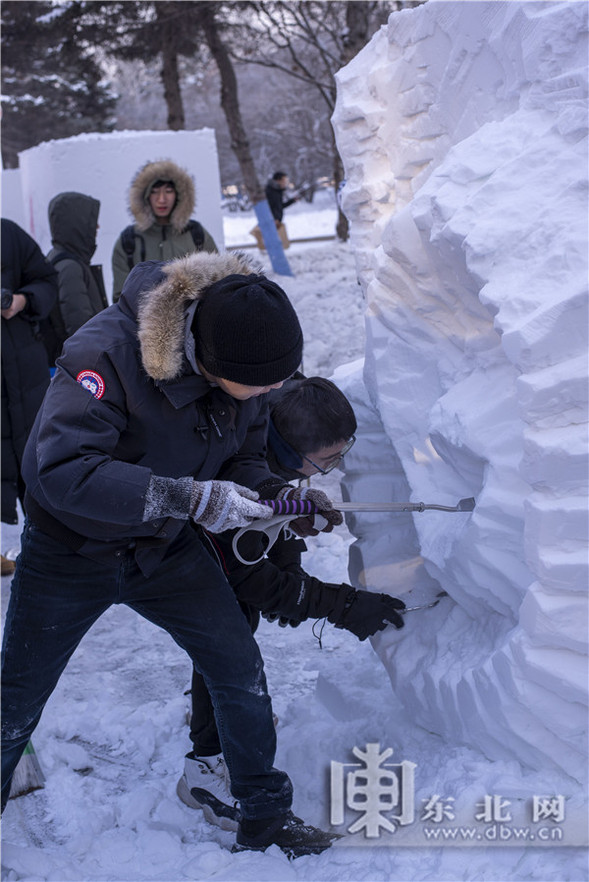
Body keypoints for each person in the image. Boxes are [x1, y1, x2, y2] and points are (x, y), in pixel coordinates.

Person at [0, 249, 343, 857]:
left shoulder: (249, 368)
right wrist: (187, 498)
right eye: (264, 382)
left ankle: (262, 814)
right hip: (69, 552)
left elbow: (245, 455)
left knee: (238, 666)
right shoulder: (102, 355)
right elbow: (59, 469)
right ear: (211, 362)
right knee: (16, 701)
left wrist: (277, 497)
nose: (275, 390)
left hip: (163, 547)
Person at [177, 376, 407, 829]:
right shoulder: (232, 470)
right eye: (326, 462)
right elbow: (247, 578)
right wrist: (340, 605)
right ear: (285, 450)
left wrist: (292, 566)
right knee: (229, 636)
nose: (332, 468)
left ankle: (221, 716)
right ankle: (203, 766)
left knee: (233, 637)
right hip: (163, 551)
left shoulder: (277, 411)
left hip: (224, 541)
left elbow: (274, 518)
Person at [1, 218, 58, 576]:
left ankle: (46, 554)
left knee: (36, 466)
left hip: (24, 376)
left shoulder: (7, 234)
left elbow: (47, 280)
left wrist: (22, 300)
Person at [111, 159, 218, 302]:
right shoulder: (129, 241)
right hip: (143, 323)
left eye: (168, 191)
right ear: (145, 196)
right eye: (155, 192)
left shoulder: (196, 234)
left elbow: (219, 281)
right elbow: (121, 298)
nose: (162, 199)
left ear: (179, 194)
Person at [42, 191, 108, 367]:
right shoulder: (69, 267)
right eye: (91, 221)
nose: (97, 227)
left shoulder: (61, 259)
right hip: (83, 366)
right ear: (77, 224)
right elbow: (80, 327)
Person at [251, 171, 299, 251]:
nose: (286, 183)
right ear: (278, 180)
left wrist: (292, 201)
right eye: (284, 181)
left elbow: (280, 206)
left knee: (277, 245)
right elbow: (269, 207)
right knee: (273, 245)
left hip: (276, 220)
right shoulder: (271, 191)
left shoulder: (277, 191)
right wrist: (274, 218)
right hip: (273, 221)